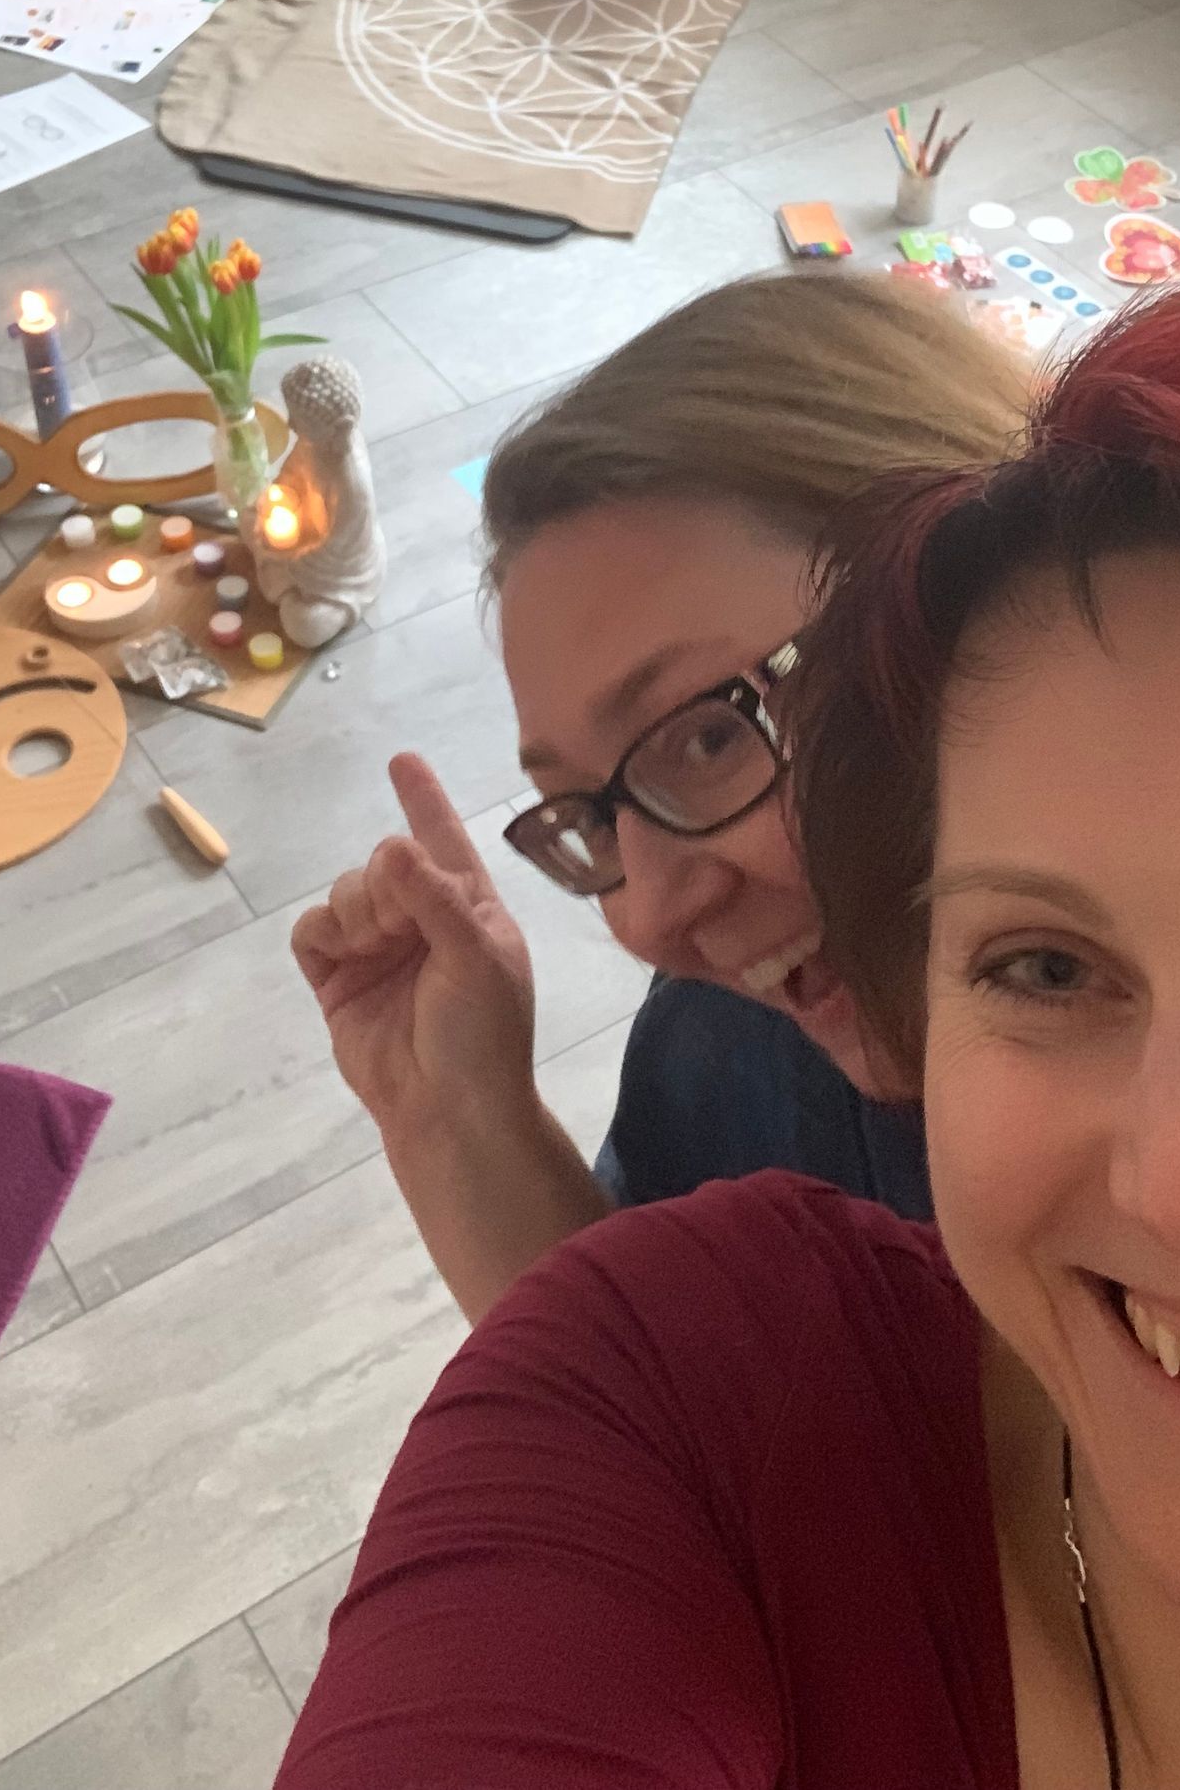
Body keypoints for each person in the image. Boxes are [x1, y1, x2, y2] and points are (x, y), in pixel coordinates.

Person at [279, 250, 1180, 1790]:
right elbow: (661, 1407)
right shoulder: (728, 1058)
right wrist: (462, 1125)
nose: (648, 912)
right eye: (1045, 967)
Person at [291, 272, 1030, 1319]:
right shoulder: (739, 1038)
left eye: (708, 739)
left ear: (989, 587)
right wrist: (453, 1117)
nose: (647, 915)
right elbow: (658, 1379)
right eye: (590, 817)